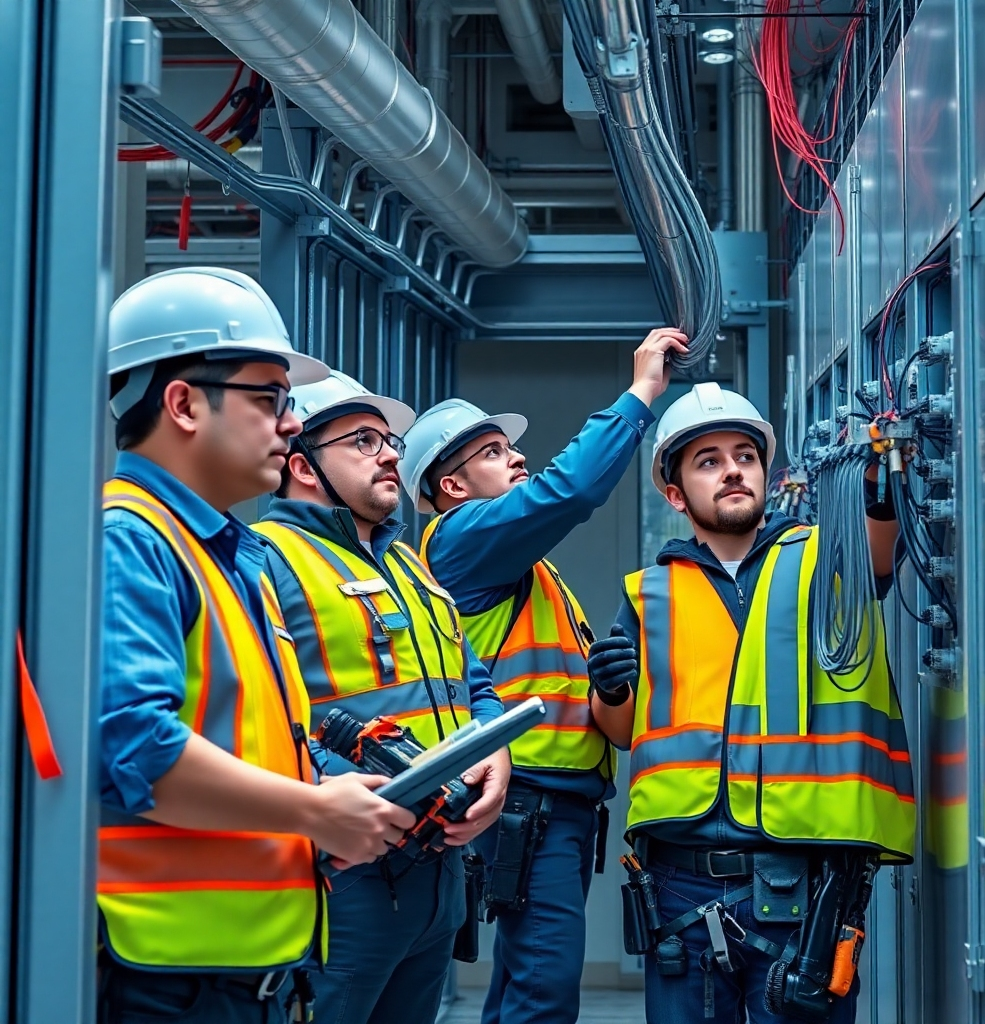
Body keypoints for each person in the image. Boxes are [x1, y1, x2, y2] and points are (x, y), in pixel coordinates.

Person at [99, 268, 417, 1024]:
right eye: (269, 399)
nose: (289, 424)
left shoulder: (228, 554)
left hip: (247, 968)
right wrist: (313, 812)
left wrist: (326, 821)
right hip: (167, 975)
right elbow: (137, 748)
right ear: (182, 402)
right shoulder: (131, 540)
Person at [586, 382, 917, 1024]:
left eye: (745, 455)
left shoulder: (827, 560)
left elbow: (882, 547)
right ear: (676, 493)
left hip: (807, 879)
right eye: (708, 461)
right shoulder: (649, 593)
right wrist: (611, 689)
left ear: (765, 471)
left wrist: (879, 475)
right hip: (680, 881)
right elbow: (620, 733)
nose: (732, 469)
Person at [399, 328, 689, 1024]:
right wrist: (643, 392)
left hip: (550, 801)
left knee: (526, 982)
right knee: (546, 985)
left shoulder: (527, 571)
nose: (517, 456)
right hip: (525, 797)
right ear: (452, 486)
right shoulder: (464, 540)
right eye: (494, 453)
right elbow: (571, 490)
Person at [253, 370, 510, 1024]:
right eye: (363, 441)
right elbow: (261, 718)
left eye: (388, 439)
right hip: (349, 878)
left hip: (437, 876)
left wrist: (493, 758)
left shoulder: (407, 564)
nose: (391, 454)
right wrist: (352, 788)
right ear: (304, 465)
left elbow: (471, 678)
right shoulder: (267, 561)